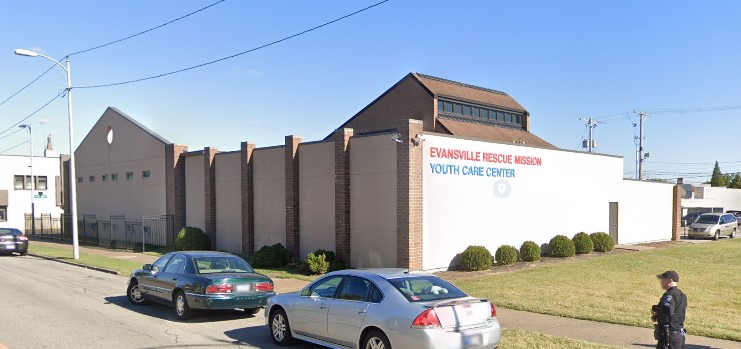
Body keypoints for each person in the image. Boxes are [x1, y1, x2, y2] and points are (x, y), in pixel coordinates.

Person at [652, 271, 687, 349]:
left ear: (669, 281)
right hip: (678, 335)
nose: (661, 282)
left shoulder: (670, 295)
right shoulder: (682, 295)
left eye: (662, 279)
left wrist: (655, 309)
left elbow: (668, 310)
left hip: (669, 337)